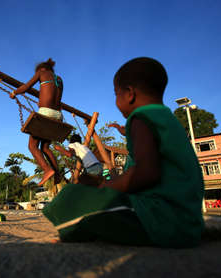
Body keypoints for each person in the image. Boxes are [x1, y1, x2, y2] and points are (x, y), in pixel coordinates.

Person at [43, 57, 204, 247]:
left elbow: (146, 174)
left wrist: (104, 186)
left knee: (70, 196)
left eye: (116, 93)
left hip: (161, 222)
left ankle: (75, 234)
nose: (116, 100)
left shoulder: (141, 119)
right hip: (189, 223)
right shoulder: (167, 119)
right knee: (95, 197)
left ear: (129, 94)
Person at [10, 58, 63, 185]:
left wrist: (14, 92)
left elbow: (26, 87)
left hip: (46, 112)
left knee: (32, 146)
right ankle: (57, 175)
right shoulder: (59, 79)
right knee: (45, 147)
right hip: (58, 115)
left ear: (41, 69)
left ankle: (47, 170)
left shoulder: (42, 73)